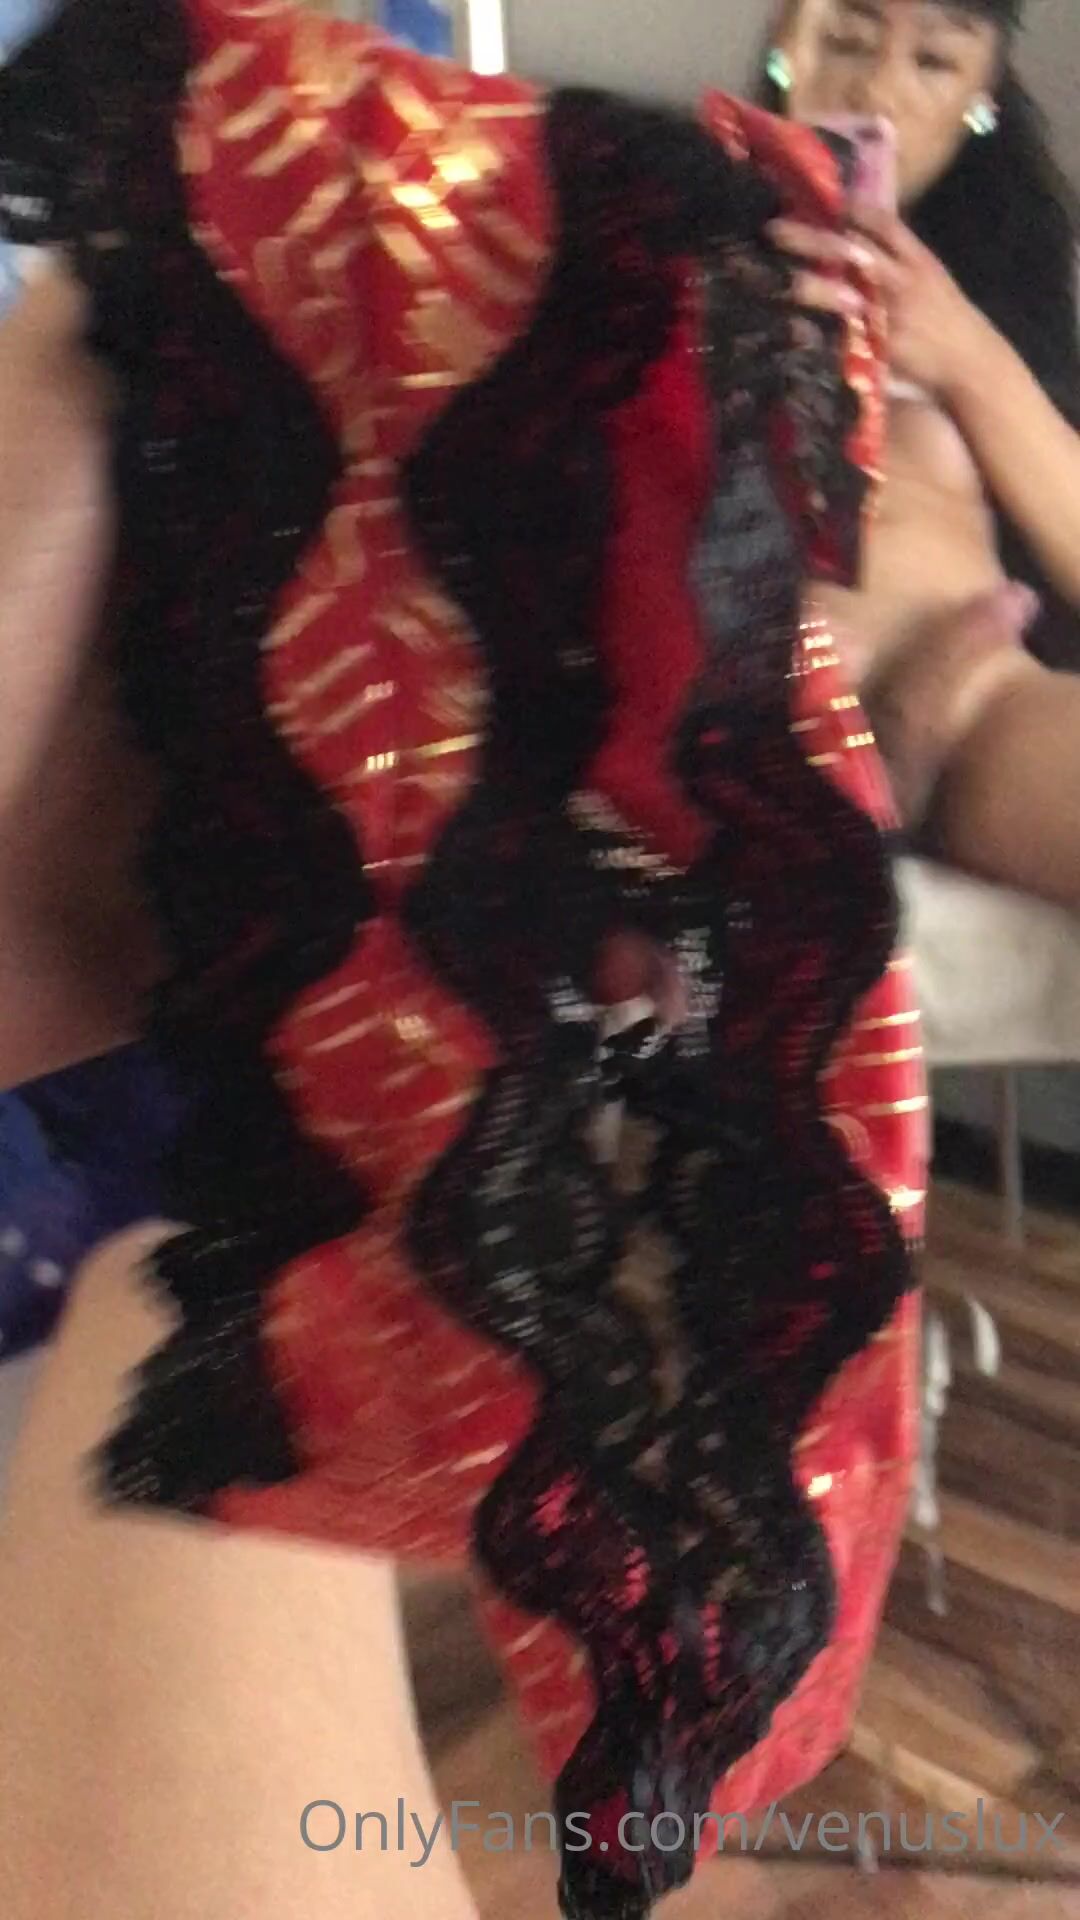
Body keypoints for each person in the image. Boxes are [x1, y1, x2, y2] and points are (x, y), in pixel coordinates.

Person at [757, 0, 1080, 904]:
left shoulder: (994, 302)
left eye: (934, 62)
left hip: (968, 695)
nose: (877, 89)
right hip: (749, 717)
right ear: (788, 43)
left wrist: (963, 353)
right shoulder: (660, 234)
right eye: (848, 40)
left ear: (982, 100)